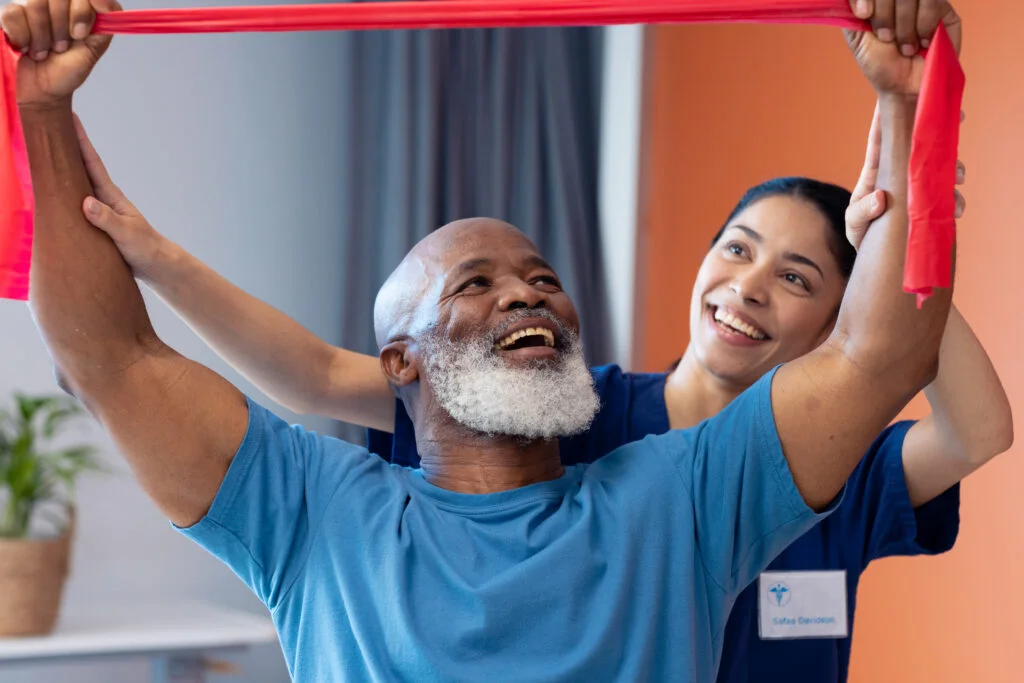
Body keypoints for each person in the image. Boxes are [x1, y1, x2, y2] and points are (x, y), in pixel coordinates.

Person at [6, 0, 965, 681]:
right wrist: (44, 109)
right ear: (401, 362)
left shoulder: (683, 499)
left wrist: (906, 103)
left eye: (544, 278)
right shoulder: (312, 510)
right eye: (477, 283)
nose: (527, 293)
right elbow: (113, 358)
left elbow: (879, 354)